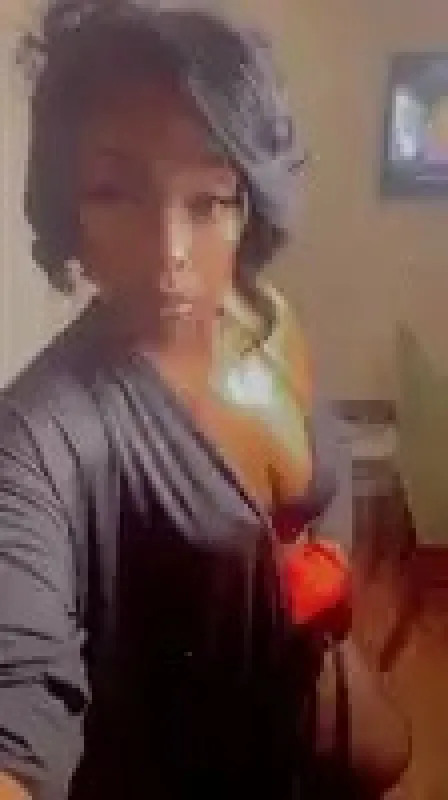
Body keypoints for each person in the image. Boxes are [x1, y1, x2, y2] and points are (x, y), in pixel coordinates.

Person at [0, 3, 409, 799]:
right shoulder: (40, 438)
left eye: (209, 198)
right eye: (116, 193)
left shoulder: (262, 315)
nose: (171, 255)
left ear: (248, 203)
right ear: (68, 209)